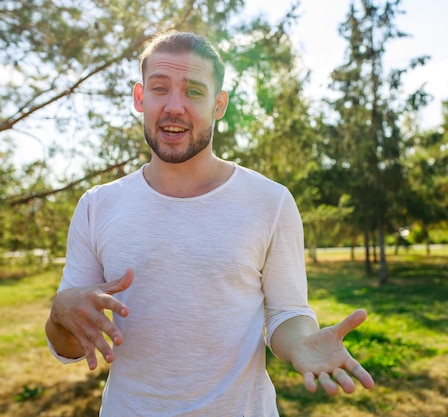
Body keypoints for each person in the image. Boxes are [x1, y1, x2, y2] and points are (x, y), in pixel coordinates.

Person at [45, 31, 374, 416]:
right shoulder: (97, 206)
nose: (174, 106)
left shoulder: (270, 201)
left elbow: (287, 312)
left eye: (194, 92)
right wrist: (58, 314)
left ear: (219, 105)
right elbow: (68, 344)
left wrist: (300, 343)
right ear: (140, 98)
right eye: (160, 88)